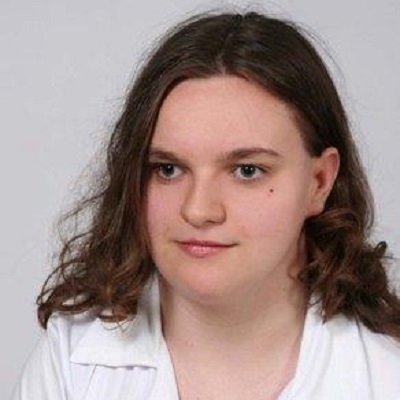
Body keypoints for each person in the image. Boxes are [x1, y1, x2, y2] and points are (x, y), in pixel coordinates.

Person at [12, 10, 400, 400]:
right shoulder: (71, 361)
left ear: (319, 182)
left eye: (247, 171)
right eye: (168, 169)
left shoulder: (387, 376)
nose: (197, 210)